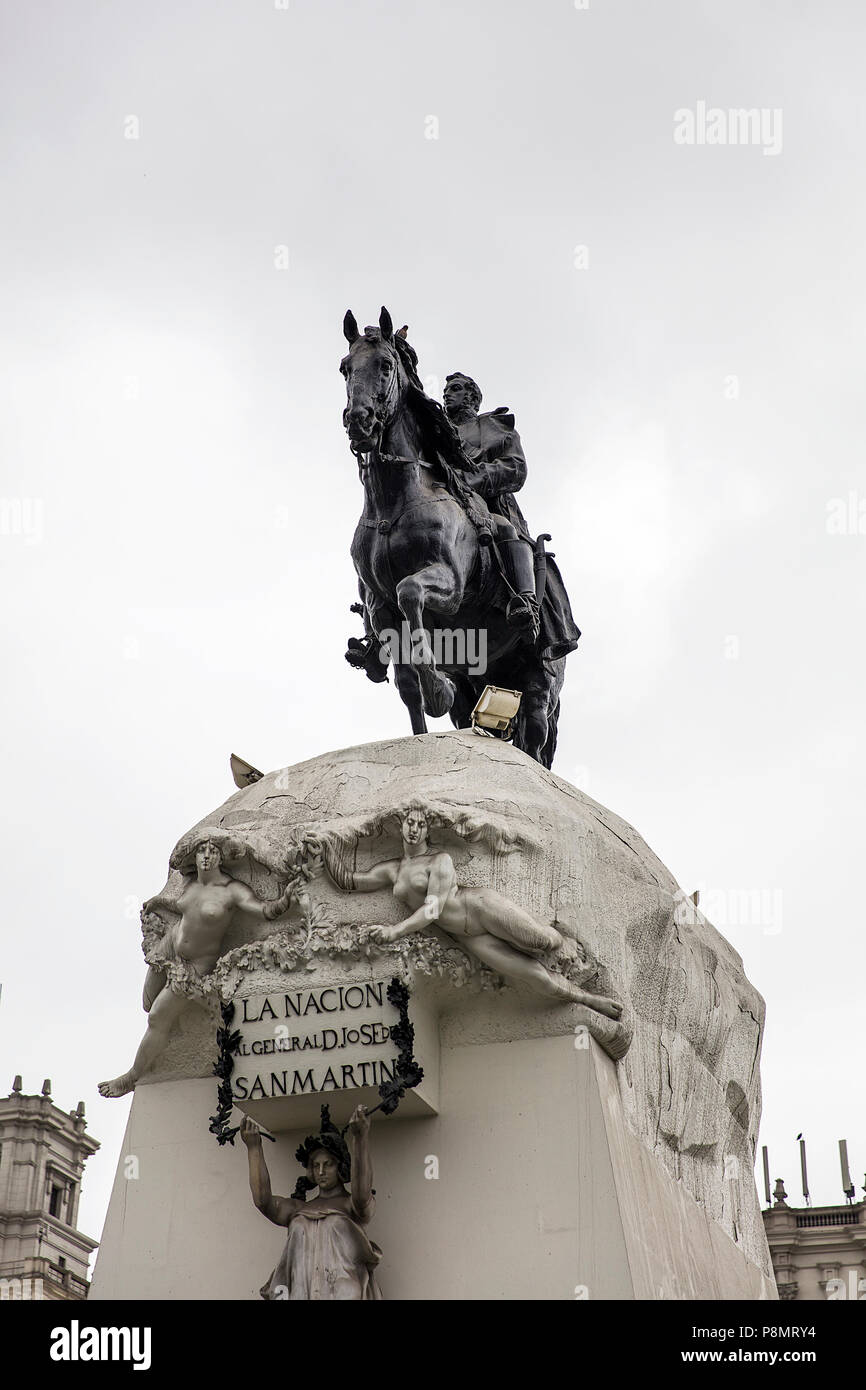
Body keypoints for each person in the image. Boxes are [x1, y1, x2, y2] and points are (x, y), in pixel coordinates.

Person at [312, 809, 621, 1013]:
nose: (413, 829)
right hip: (468, 938)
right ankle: (591, 1000)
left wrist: (395, 930)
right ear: (401, 825)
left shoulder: (440, 861)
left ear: (428, 830)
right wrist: (324, 846)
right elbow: (350, 882)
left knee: (541, 942)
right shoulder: (391, 870)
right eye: (409, 822)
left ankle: (564, 938)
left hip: (480, 908)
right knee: (533, 975)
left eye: (420, 824)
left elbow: (432, 910)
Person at [98, 837, 302, 1098]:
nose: (206, 856)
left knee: (157, 1016)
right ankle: (154, 1048)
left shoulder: (232, 890)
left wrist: (286, 899)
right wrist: (157, 902)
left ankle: (132, 1076)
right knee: (146, 1002)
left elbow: (264, 910)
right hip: (168, 949)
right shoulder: (192, 885)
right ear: (194, 859)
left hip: (194, 968)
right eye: (201, 852)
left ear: (221, 858)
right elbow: (180, 906)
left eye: (212, 852)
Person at [443, 371, 581, 660]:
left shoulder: (493, 427)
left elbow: (515, 468)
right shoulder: (434, 431)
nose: (447, 394)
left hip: (486, 509)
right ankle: (379, 630)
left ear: (471, 397)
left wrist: (471, 479)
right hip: (440, 506)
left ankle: (526, 601)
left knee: (505, 529)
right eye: (446, 390)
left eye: (454, 389)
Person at [241, 1105, 382, 1301]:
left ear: (340, 1166)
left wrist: (360, 1137)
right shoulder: (298, 1209)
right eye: (316, 1165)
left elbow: (361, 1191)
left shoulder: (352, 1205)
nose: (321, 1171)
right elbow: (262, 1201)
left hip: (343, 1293)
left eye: (328, 1164)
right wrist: (254, 1147)